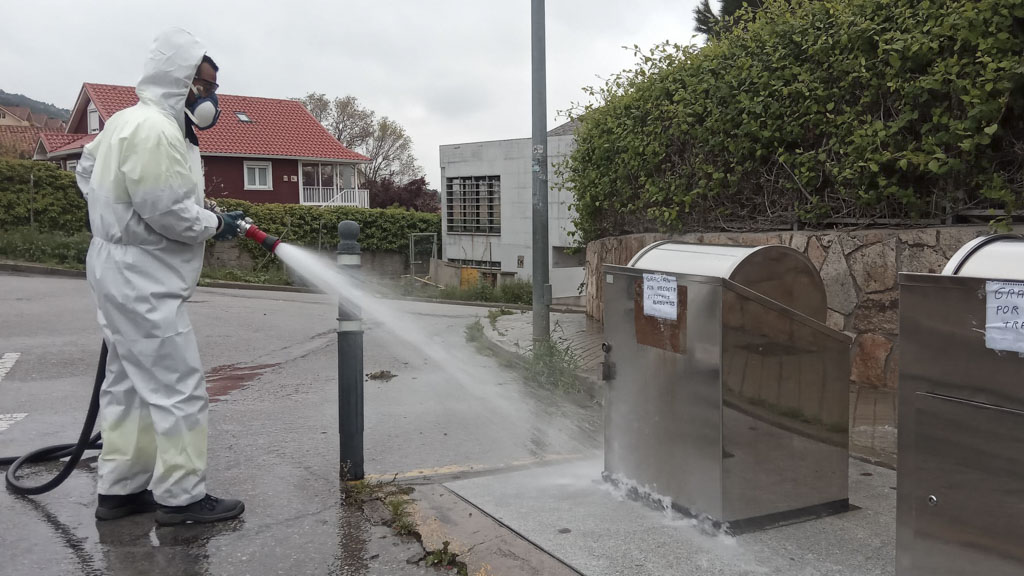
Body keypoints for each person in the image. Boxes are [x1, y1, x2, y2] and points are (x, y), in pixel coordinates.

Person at [76, 28, 246, 525]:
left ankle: (122, 489)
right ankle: (182, 498)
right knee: (179, 388)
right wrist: (214, 223)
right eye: (206, 84)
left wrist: (115, 214)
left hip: (116, 263)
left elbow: (87, 173)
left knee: (127, 383)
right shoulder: (156, 130)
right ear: (182, 80)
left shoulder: (126, 122)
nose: (212, 97)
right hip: (143, 274)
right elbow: (168, 212)